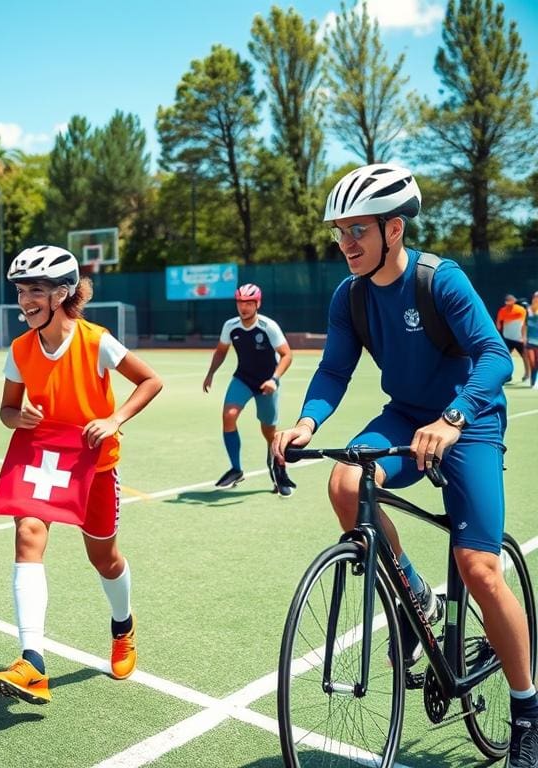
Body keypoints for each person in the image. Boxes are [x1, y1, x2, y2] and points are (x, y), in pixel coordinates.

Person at [271, 163, 538, 768]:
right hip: (406, 415)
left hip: (469, 421)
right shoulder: (351, 296)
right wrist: (307, 423)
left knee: (479, 567)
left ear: (394, 229)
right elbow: (335, 369)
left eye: (357, 230)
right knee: (345, 483)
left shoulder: (440, 281)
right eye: (340, 233)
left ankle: (528, 712)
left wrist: (453, 418)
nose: (346, 244)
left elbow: (494, 355)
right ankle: (417, 599)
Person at [0, 245, 162, 705]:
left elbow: (150, 381)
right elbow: (7, 409)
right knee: (27, 534)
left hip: (93, 464)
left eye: (36, 291)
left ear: (63, 292)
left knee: (104, 559)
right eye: (22, 290)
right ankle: (33, 661)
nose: (26, 300)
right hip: (41, 456)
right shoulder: (20, 349)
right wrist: (16, 417)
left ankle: (122, 626)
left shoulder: (96, 340)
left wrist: (115, 418)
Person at [202, 283, 296, 496]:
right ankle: (236, 470)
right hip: (243, 379)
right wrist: (210, 373)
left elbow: (286, 355)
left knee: (269, 433)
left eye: (248, 303)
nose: (243, 307)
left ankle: (279, 472)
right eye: (240, 303)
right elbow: (220, 352)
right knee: (229, 416)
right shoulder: (230, 326)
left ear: (257, 304)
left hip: (267, 384)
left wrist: (274, 379)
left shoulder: (268, 326)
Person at [496, 294, 530, 383]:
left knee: (525, 356)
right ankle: (507, 376)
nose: (509, 305)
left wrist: (524, 337)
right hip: (508, 338)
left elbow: (524, 323)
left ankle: (527, 375)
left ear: (514, 301)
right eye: (507, 302)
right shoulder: (502, 311)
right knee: (505, 357)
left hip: (519, 338)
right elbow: (499, 325)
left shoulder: (521, 310)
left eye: (511, 302)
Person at [525, 292, 538, 389]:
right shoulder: (528, 309)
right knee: (532, 362)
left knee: (537, 362)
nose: (536, 298)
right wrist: (524, 337)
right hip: (530, 340)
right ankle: (533, 382)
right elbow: (524, 325)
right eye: (535, 297)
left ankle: (534, 382)